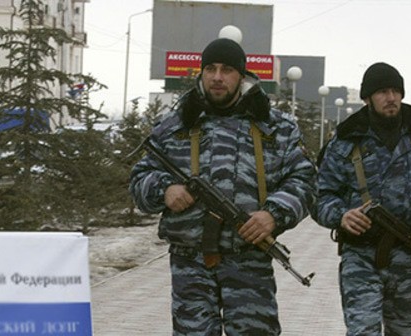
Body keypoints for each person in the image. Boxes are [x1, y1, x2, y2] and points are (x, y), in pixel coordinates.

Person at [128, 38, 316, 335]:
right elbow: (139, 178)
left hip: (249, 260)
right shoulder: (174, 125)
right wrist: (164, 190)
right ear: (201, 73)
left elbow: (305, 181)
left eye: (227, 69)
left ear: (241, 76)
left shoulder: (275, 127)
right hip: (190, 264)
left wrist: (273, 214)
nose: (217, 77)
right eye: (210, 69)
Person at [313, 62, 411, 336]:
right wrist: (341, 216)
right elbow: (320, 195)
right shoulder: (346, 142)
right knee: (362, 331)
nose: (391, 97)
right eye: (383, 91)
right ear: (367, 98)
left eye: (396, 91)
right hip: (360, 257)